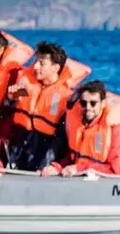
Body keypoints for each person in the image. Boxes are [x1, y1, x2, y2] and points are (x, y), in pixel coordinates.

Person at [6, 41, 91, 171]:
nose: (35, 67)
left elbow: (64, 137)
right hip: (22, 141)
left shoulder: (67, 97)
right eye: (35, 62)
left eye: (41, 64)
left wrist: (48, 163)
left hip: (48, 146)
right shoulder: (27, 84)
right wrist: (10, 99)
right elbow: (9, 112)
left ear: (55, 68)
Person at [45, 80, 120, 176]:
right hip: (85, 176)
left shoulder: (116, 131)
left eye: (93, 103)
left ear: (103, 103)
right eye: (84, 103)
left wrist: (80, 168)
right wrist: (57, 167)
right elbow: (71, 157)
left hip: (117, 181)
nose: (88, 107)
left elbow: (114, 170)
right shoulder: (79, 126)